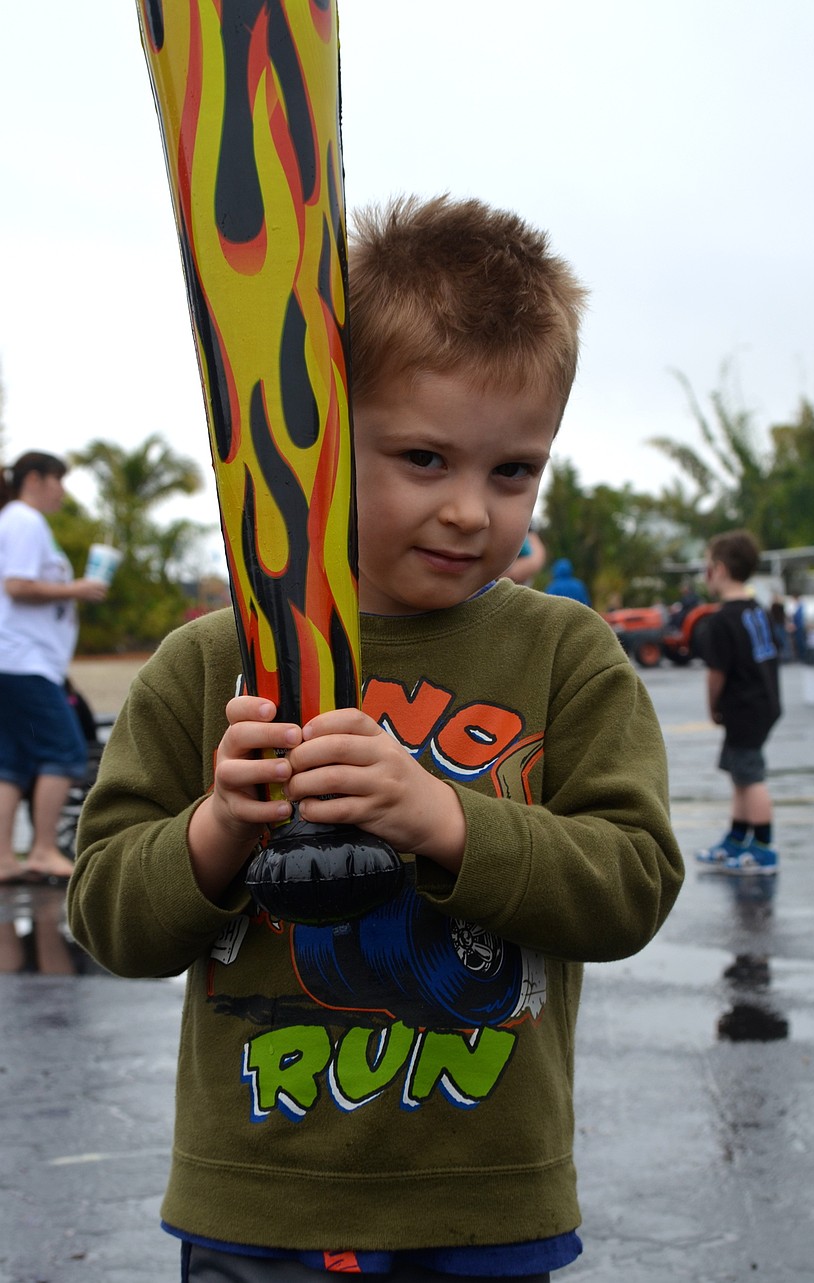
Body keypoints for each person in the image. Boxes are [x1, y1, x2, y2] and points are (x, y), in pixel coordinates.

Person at [68, 195, 684, 1281]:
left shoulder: (566, 655)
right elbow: (110, 917)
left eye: (511, 472)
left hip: (482, 1207)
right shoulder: (212, 665)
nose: (468, 512)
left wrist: (444, 819)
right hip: (256, 1201)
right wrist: (216, 827)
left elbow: (631, 884)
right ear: (322, 444)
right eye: (422, 458)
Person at [0, 452, 108, 885]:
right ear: (35, 479)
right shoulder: (25, 521)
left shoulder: (13, 519)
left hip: (15, 660)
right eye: (57, 481)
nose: (61, 490)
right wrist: (75, 588)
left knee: (11, 761)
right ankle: (44, 850)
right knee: (64, 750)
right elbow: (17, 585)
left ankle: (6, 857)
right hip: (26, 660)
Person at [696, 530, 781, 875]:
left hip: (744, 706)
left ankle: (763, 847)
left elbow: (716, 673)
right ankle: (737, 836)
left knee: (751, 776)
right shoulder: (755, 610)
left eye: (706, 568)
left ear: (718, 570)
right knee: (740, 774)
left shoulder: (721, 620)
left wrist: (712, 706)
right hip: (762, 701)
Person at [790, 594, 807, 661]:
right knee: (798, 641)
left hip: (799, 627)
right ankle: (801, 656)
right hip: (798, 627)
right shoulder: (798, 607)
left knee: (800, 641)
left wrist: (795, 625)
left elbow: (798, 618)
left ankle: (802, 656)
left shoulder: (800, 607)